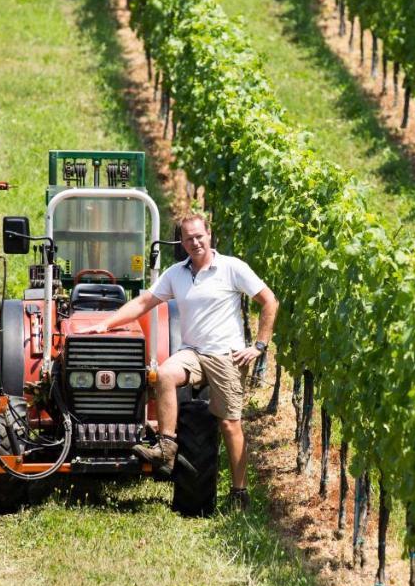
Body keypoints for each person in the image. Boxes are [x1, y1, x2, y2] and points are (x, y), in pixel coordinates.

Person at [77, 214, 279, 511]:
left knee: (229, 423)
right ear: (181, 243)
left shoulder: (232, 268)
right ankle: (166, 447)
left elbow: (269, 301)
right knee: (165, 374)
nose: (195, 243)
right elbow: (144, 302)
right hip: (193, 352)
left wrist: (259, 346)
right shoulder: (177, 273)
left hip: (226, 355)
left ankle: (239, 493)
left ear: (209, 235)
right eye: (188, 239)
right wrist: (106, 324)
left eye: (199, 236)